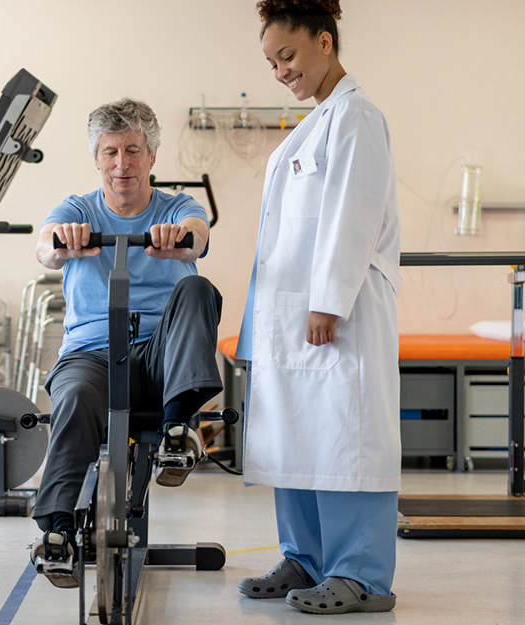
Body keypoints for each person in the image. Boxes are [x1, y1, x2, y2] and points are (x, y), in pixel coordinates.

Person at [235, 0, 402, 615]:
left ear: (325, 43)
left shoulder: (355, 115)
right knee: (299, 435)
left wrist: (329, 301)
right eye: (272, 61)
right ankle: (304, 558)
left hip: (338, 313)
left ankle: (360, 574)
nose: (281, 70)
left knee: (346, 439)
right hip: (293, 317)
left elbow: (351, 216)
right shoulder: (317, 122)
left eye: (289, 55)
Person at [28, 98, 224, 588]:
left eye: (133, 150)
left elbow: (199, 234)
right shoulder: (77, 209)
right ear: (96, 158)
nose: (123, 165)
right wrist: (60, 239)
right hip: (93, 355)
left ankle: (178, 435)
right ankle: (57, 531)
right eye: (111, 152)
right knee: (72, 397)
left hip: (162, 359)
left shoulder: (176, 205)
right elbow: (44, 245)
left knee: (196, 287)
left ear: (152, 156)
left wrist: (182, 236)